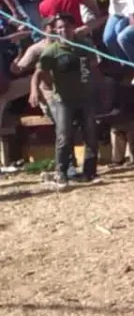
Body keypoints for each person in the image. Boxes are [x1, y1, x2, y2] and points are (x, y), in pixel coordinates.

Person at [31, 13, 98, 187]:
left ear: (73, 28)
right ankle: (62, 172)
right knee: (64, 136)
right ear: (55, 30)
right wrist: (37, 90)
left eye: (67, 27)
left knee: (90, 134)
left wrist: (89, 80)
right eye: (60, 27)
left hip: (85, 97)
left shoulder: (83, 46)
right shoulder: (52, 51)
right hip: (64, 100)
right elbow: (39, 73)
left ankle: (90, 172)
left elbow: (93, 63)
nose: (63, 30)